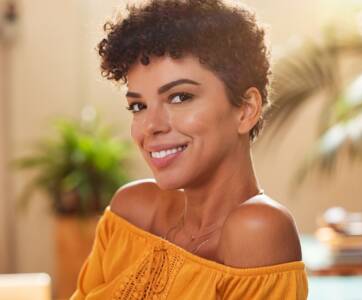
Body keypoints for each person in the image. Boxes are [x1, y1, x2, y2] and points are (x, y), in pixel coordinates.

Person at [71, 0, 308, 299]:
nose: (150, 126)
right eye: (138, 106)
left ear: (246, 110)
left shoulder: (258, 228)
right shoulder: (131, 212)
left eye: (180, 97)